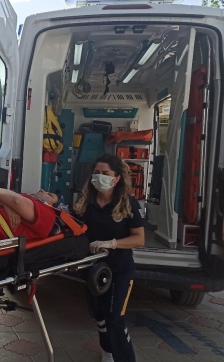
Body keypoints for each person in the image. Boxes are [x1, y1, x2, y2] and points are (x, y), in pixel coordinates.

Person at [73, 153, 145, 362]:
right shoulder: (85, 203)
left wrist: (111, 243)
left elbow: (139, 238)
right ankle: (108, 350)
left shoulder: (127, 204)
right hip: (93, 269)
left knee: (115, 319)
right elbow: (73, 227)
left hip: (119, 269)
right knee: (99, 315)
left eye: (105, 173)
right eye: (96, 172)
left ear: (116, 178)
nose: (100, 177)